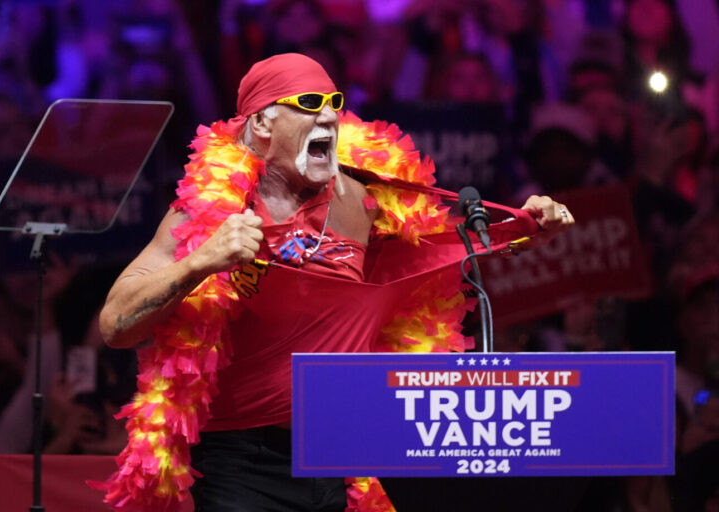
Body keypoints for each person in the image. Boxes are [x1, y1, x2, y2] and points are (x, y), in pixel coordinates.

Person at [97, 53, 574, 511]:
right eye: (308, 104)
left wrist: (526, 230)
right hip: (244, 462)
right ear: (261, 125)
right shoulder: (209, 213)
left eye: (334, 104)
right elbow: (116, 323)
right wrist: (199, 263)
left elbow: (441, 253)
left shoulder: (359, 201)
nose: (328, 117)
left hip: (345, 457)